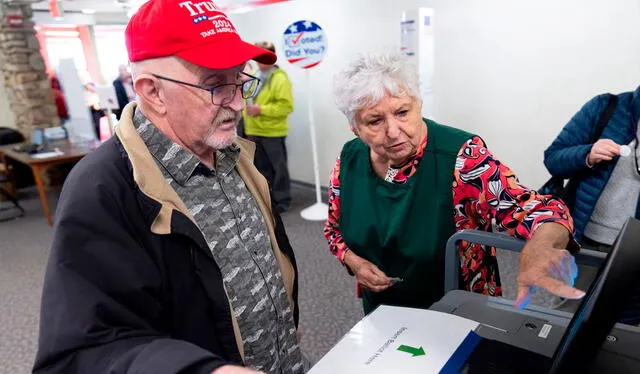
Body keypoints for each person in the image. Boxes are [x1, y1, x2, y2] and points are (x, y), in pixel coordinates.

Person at [33, 1, 305, 373]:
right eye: (216, 86)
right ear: (153, 91)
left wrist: (283, 323)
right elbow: (81, 352)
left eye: (240, 81)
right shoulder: (102, 189)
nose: (239, 103)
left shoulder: (239, 153)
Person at [324, 52, 585, 315]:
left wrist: (538, 250)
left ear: (419, 105)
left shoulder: (463, 157)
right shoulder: (350, 159)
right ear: (354, 127)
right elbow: (334, 231)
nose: (393, 131)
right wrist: (353, 262)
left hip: (457, 310)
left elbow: (543, 211)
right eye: (375, 121)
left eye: (402, 112)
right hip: (383, 309)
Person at [544, 85, 639, 325]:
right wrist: (587, 154)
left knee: (620, 330)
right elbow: (553, 158)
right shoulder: (607, 107)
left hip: (634, 253)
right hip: (585, 243)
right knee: (563, 321)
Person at [243, 41, 294, 213]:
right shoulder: (255, 74)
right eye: (258, 57)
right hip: (254, 131)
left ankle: (283, 201)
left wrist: (261, 110)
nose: (259, 60)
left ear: (272, 56)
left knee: (278, 168)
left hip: (272, 132)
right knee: (262, 169)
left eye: (264, 56)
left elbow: (286, 107)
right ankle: (269, 200)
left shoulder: (280, 78)